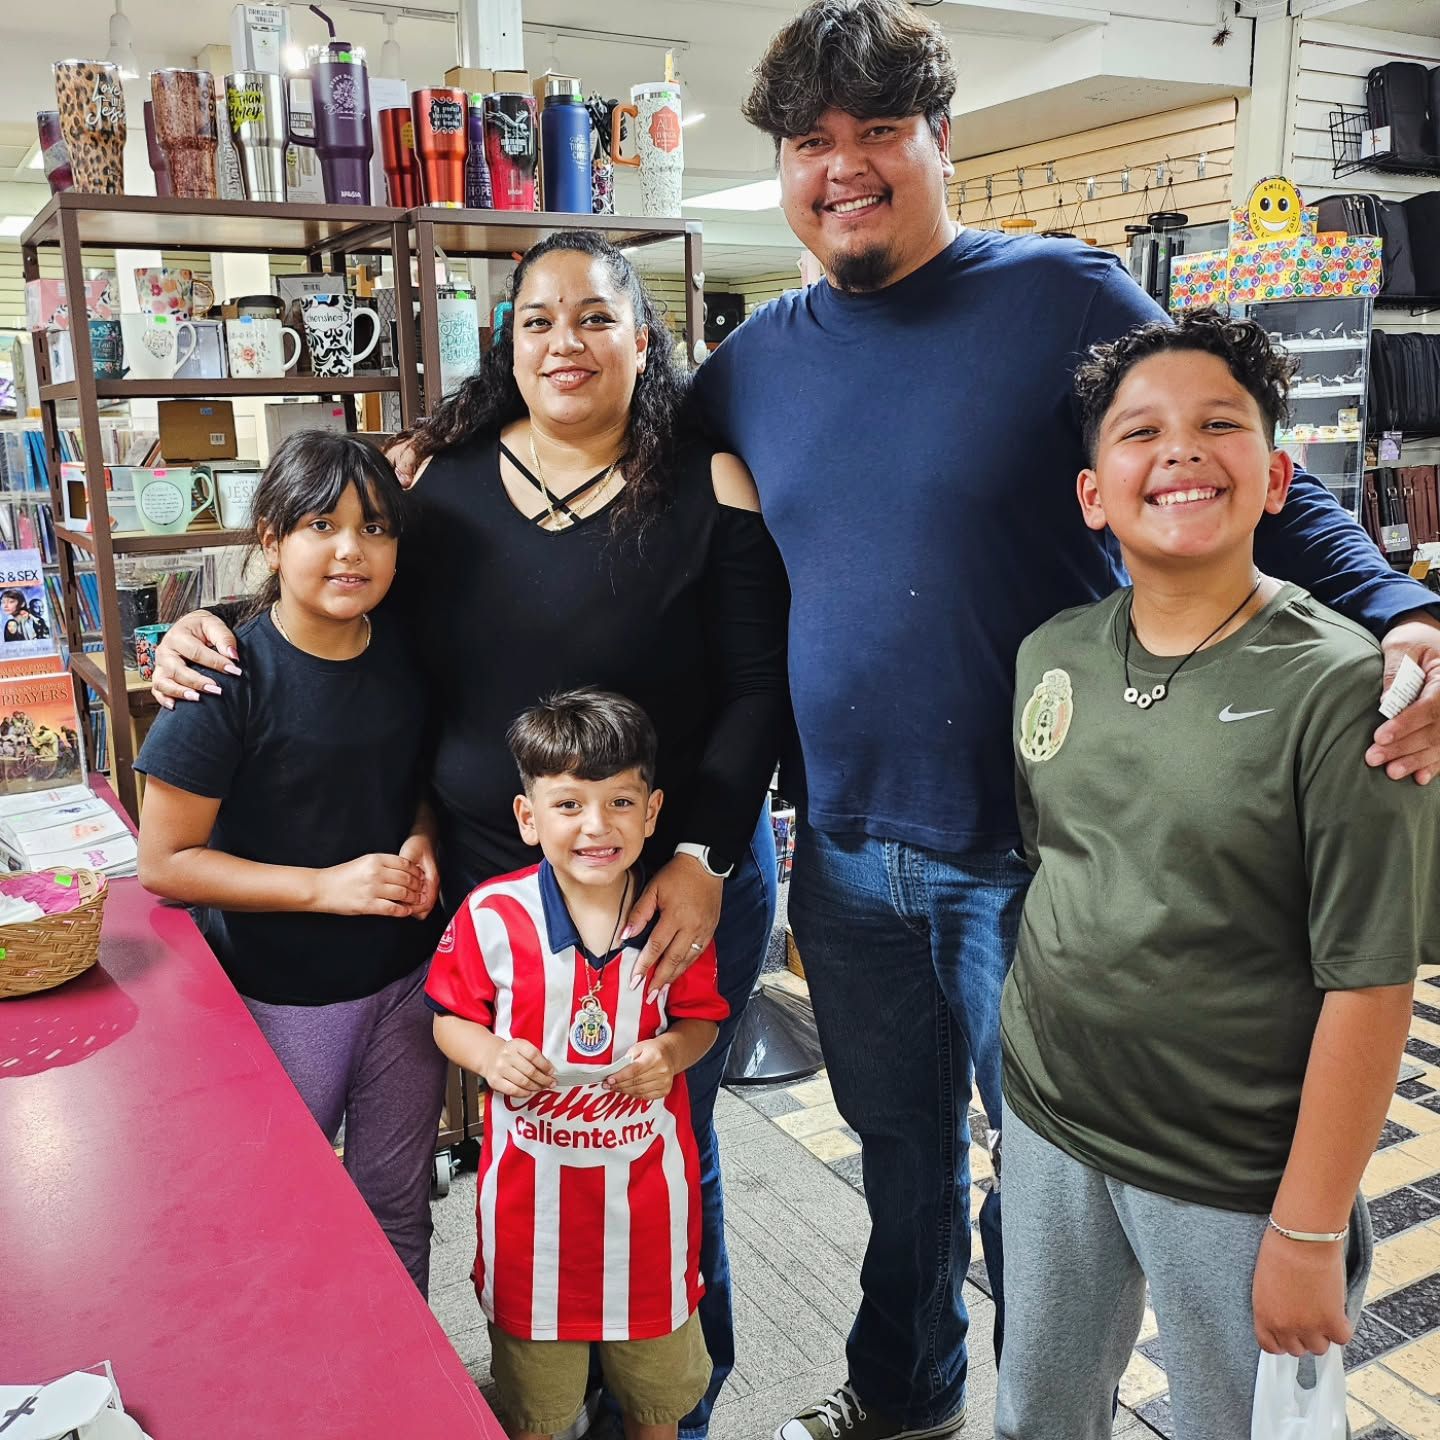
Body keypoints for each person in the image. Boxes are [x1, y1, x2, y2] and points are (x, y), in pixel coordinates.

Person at [691, 4, 1440, 1438]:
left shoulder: (1061, 296)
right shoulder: (758, 358)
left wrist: (1404, 604)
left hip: (1031, 852)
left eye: (877, 133)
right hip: (845, 848)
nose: (843, 167)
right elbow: (620, 484)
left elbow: (1219, 452)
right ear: (784, 170)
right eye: (810, 144)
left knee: (1038, 1187)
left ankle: (1058, 1405)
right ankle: (909, 1394)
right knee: (897, 1153)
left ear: (939, 142)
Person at [150, 230, 789, 1439]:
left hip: (675, 876)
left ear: (642, 338)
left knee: (662, 1129)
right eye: (538, 318)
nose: (566, 341)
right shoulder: (434, 477)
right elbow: (332, 581)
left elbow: (759, 688)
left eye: (596, 317)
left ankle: (667, 1405)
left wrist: (703, 857)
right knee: (533, 1121)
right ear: (508, 341)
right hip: (497, 880)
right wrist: (202, 628)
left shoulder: (708, 482)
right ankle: (542, 1388)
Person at [996, 309, 1432, 1438]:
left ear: (1278, 475)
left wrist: (1311, 1228)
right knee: (1035, 1410)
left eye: (1218, 424)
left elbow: (1372, 980)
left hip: (1230, 1166)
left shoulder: (1344, 694)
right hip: (1050, 1119)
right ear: (1094, 494)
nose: (1180, 450)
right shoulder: (1053, 654)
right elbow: (1057, 865)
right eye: (1140, 431)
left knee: (1235, 1426)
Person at [134, 432, 448, 1295]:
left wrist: (421, 837)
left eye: (376, 528)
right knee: (275, 1206)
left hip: (406, 987)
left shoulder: (406, 655)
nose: (352, 549)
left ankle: (394, 1398)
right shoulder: (225, 675)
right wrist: (324, 888)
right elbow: (163, 861)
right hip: (284, 994)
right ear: (271, 538)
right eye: (321, 524)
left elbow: (413, 782)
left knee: (398, 1204)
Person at [427, 689, 726, 1440]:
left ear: (653, 812)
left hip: (650, 1234)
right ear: (529, 818)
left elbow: (703, 1026)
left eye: (620, 801)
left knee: (657, 1407)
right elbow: (448, 1021)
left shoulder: (672, 921)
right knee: (537, 1413)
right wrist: (489, 1053)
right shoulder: (492, 917)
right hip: (532, 1241)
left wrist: (669, 1053)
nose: (597, 826)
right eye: (568, 805)